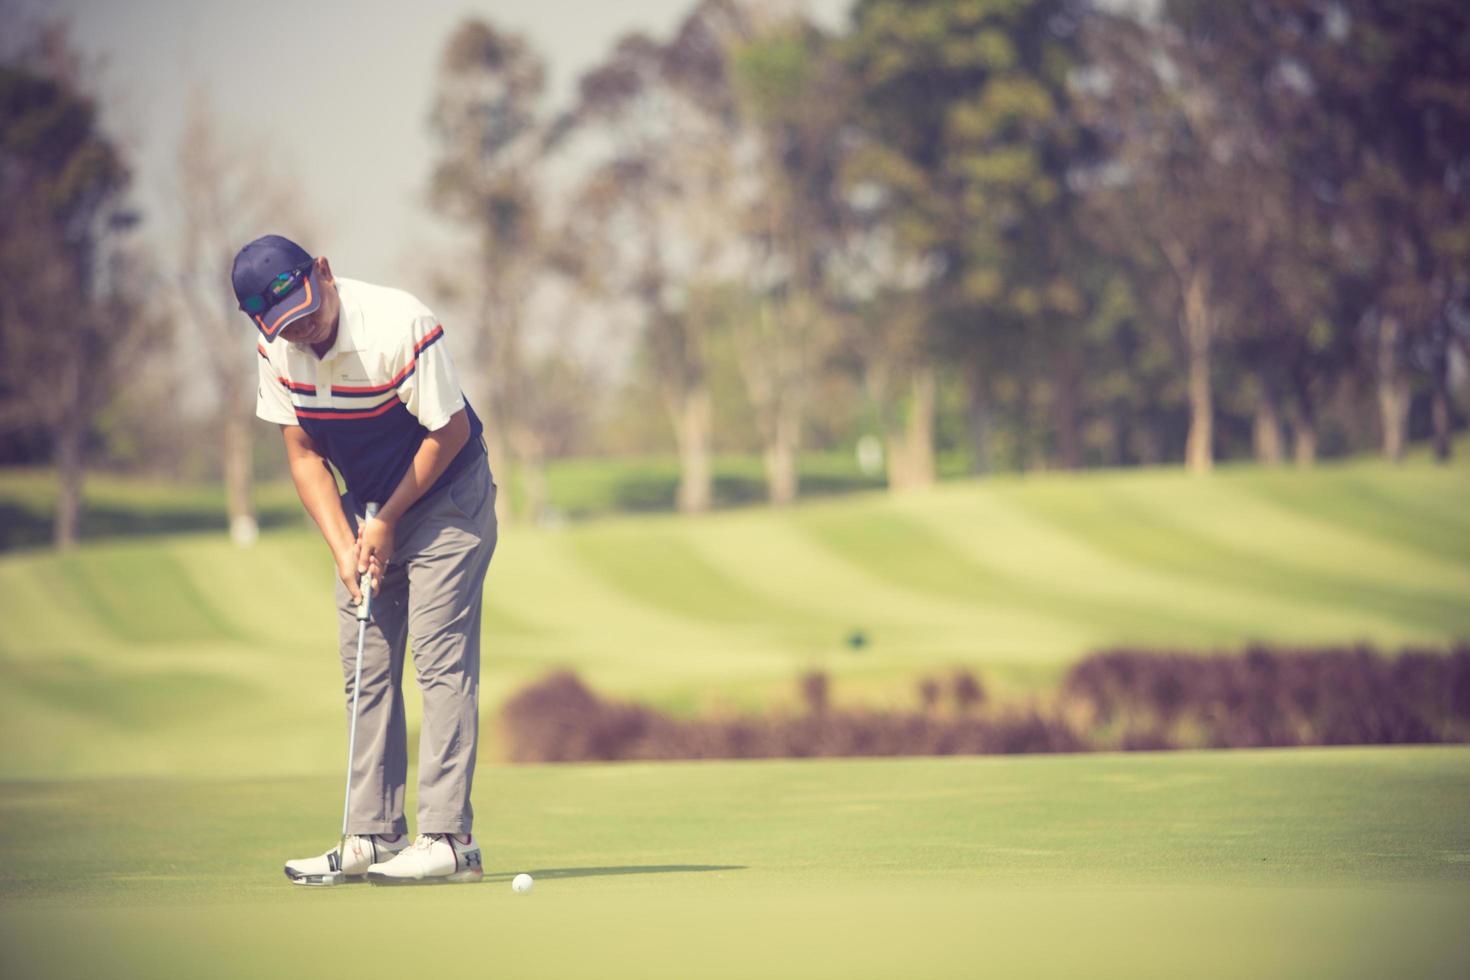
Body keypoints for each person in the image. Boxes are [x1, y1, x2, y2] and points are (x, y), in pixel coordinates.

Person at [233, 234, 497, 885]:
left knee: (438, 659)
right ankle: (374, 836)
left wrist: (385, 519)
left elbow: (449, 430)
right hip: (366, 506)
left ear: (322, 272)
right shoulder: (278, 349)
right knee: (365, 664)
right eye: (288, 327)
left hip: (447, 497)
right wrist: (345, 543)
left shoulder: (400, 324)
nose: (306, 332)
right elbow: (303, 455)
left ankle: (448, 839)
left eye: (310, 314)